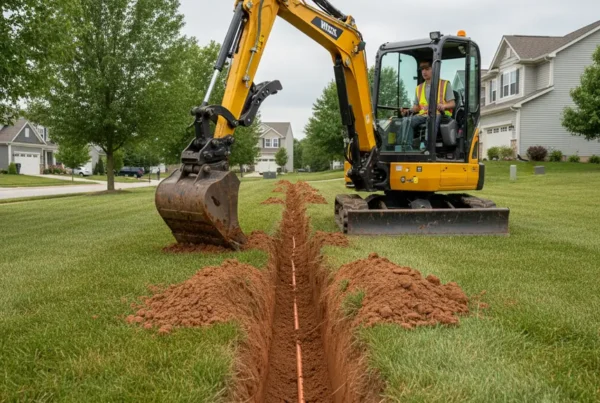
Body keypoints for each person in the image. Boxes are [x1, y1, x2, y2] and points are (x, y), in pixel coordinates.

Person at [405, 59, 456, 150]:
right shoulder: (419, 88)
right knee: (407, 121)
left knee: (431, 119)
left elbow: (452, 103)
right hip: (424, 114)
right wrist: (409, 110)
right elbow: (417, 107)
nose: (424, 72)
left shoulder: (445, 84)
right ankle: (407, 147)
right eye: (422, 69)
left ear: (434, 69)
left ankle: (427, 147)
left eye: (427, 69)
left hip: (441, 115)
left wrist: (443, 106)